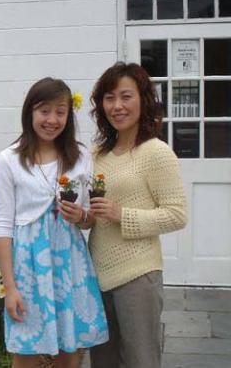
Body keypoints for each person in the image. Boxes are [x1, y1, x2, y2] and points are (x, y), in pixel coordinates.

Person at [0, 77, 108, 368]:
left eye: (60, 111)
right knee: (26, 351)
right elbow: (4, 227)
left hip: (69, 262)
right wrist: (10, 287)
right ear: (30, 112)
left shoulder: (80, 156)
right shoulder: (9, 160)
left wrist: (81, 215)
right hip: (28, 268)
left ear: (68, 116)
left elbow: (88, 218)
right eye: (44, 111)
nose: (52, 120)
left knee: (71, 350)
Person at [86, 62, 187, 368]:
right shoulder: (96, 155)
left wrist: (122, 214)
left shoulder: (156, 152)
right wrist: (79, 216)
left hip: (138, 277)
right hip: (97, 275)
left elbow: (177, 214)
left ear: (143, 100)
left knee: (141, 361)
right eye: (109, 98)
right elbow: (93, 216)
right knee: (102, 362)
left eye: (125, 96)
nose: (117, 106)